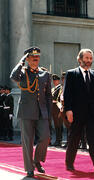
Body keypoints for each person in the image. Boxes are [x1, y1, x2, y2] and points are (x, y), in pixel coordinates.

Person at [64, 49, 94, 173]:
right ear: (80, 59)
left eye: (90, 58)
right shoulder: (71, 74)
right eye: (86, 58)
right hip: (76, 113)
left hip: (92, 114)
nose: (89, 61)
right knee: (74, 139)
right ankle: (69, 163)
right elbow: (67, 94)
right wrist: (68, 110)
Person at [10, 47, 52, 177]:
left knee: (45, 137)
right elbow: (13, 76)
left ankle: (37, 160)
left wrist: (49, 114)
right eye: (32, 57)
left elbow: (48, 95)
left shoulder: (45, 74)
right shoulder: (23, 73)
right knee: (27, 140)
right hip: (26, 111)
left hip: (42, 111)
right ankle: (29, 168)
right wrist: (21, 62)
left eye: (37, 57)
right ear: (27, 59)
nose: (36, 59)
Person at [51, 74, 63, 146]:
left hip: (57, 108)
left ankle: (59, 139)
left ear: (59, 81)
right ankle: (57, 139)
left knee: (59, 124)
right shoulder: (53, 89)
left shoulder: (60, 88)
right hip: (53, 108)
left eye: (56, 80)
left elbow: (59, 99)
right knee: (56, 125)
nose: (55, 82)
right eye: (54, 80)